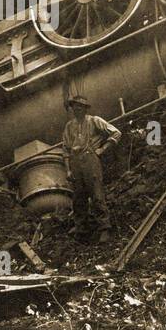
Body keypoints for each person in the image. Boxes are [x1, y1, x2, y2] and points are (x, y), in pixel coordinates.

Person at [61, 94, 121, 244]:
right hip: (75, 162)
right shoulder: (69, 126)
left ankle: (104, 228)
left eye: (80, 106)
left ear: (85, 108)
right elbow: (66, 150)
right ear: (72, 109)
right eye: (74, 106)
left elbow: (116, 132)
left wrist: (103, 149)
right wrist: (68, 170)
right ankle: (81, 228)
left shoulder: (95, 120)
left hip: (90, 159)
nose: (77, 109)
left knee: (96, 193)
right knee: (78, 197)